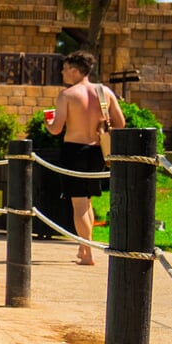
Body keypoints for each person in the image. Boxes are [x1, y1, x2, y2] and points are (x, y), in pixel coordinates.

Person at [43, 50, 125, 266]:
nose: (62, 72)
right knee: (86, 202)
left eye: (65, 68)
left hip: (74, 151)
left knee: (78, 204)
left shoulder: (68, 95)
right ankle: (83, 247)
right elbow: (121, 123)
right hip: (97, 151)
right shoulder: (104, 92)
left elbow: (56, 129)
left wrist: (47, 122)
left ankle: (88, 252)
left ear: (75, 70)